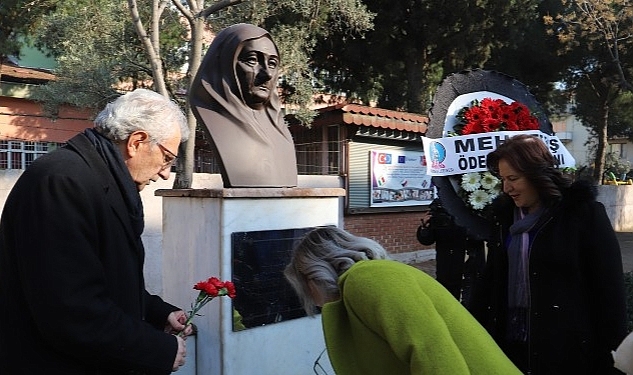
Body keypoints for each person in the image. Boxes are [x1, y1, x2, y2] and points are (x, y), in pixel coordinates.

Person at [0, 89, 194, 374]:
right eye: (167, 158)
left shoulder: (98, 178)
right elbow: (71, 312)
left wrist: (157, 312)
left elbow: (104, 280)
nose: (166, 173)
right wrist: (158, 349)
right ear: (137, 142)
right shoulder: (62, 182)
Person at [469, 134, 628, 374]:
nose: (506, 188)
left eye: (513, 178)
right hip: (509, 344)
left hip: (566, 351)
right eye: (502, 179)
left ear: (537, 175)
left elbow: (609, 289)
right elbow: (492, 280)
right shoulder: (503, 219)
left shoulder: (582, 214)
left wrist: (613, 358)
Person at [284, 226, 522, 375]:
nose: (311, 300)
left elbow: (432, 352)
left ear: (313, 275)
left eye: (303, 288)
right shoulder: (360, 287)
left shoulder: (368, 278)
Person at [190, 23, 298, 188]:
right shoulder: (213, 117)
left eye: (272, 64)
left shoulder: (280, 132)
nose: (267, 74)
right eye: (252, 60)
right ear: (225, 64)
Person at [416, 198, 485, 306]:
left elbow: (480, 235)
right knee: (447, 298)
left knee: (469, 298)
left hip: (468, 261)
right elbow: (426, 240)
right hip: (446, 264)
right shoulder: (439, 206)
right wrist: (425, 226)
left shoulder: (472, 203)